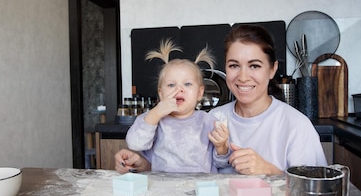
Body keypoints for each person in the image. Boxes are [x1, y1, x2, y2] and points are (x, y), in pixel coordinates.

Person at [116, 24, 327, 175]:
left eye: (254, 65)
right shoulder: (213, 119)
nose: (243, 77)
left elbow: (317, 194)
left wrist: (271, 171)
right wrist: (142, 164)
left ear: (272, 70)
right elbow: (183, 168)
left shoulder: (296, 126)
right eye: (234, 65)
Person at [117, 39, 230, 174]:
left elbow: (221, 164)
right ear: (161, 93)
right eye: (171, 85)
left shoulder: (209, 122)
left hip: (200, 188)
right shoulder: (153, 120)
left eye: (187, 84)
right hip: (163, 186)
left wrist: (221, 146)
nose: (179, 89)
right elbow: (135, 143)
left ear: (199, 93)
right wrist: (156, 113)